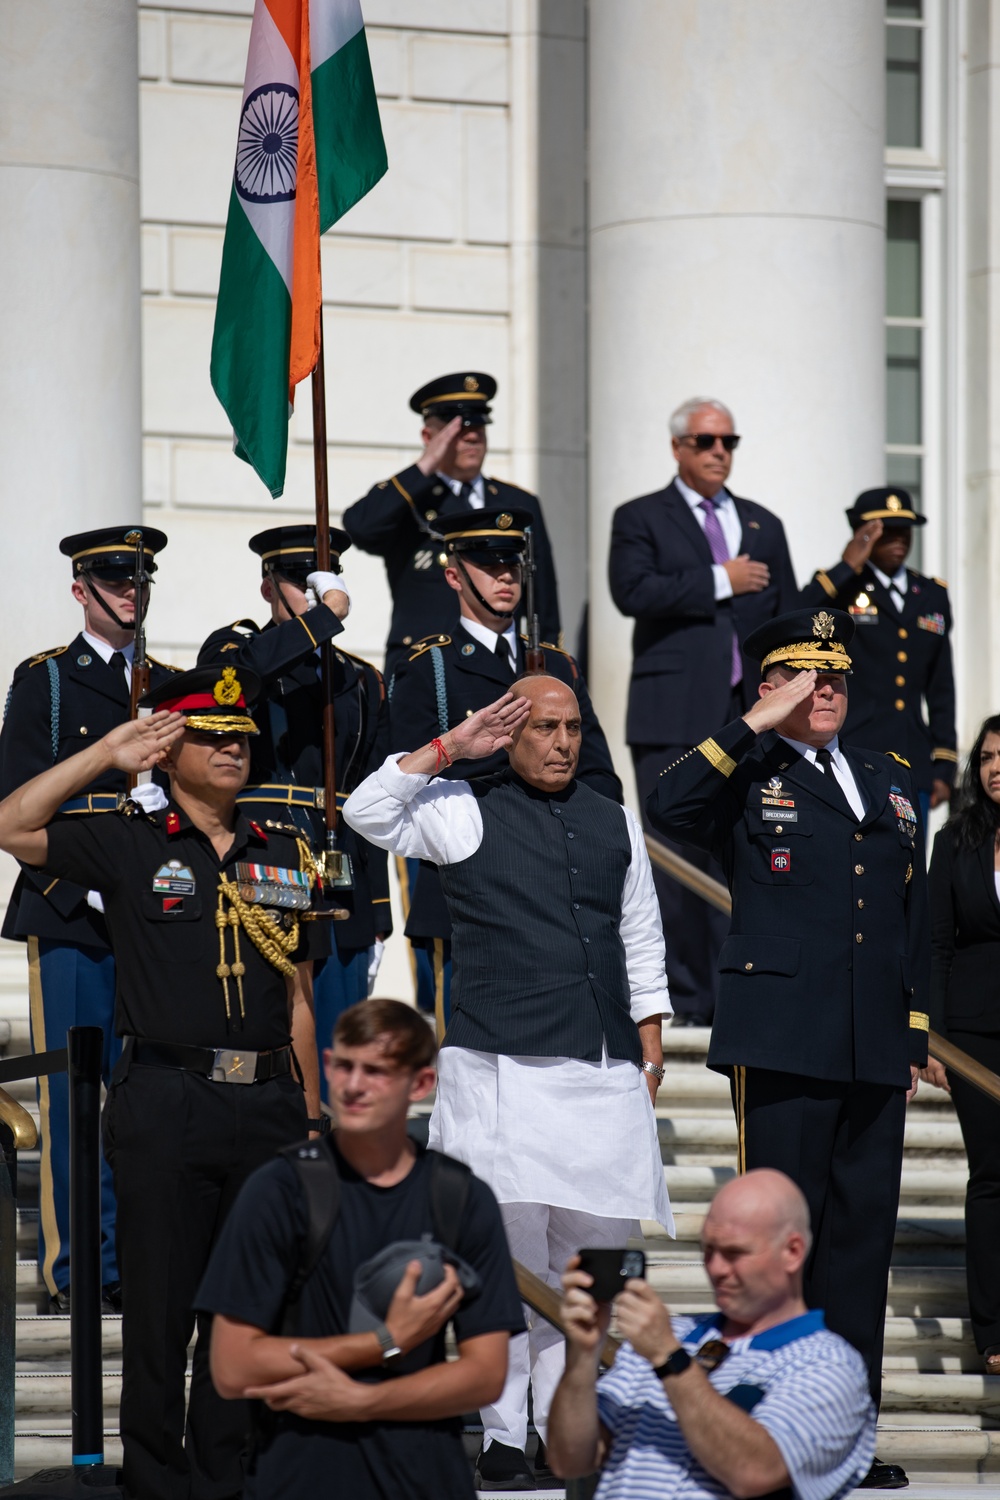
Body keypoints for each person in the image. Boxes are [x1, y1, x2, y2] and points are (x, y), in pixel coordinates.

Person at [0, 666, 322, 1500]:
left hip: (266, 1103)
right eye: (211, 738)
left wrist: (313, 1117)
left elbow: (297, 995)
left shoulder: (282, 849)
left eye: (241, 739)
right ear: (170, 751)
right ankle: (154, 1478)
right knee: (159, 1311)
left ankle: (222, 1477)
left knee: (243, 1311)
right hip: (166, 1100)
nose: (231, 751)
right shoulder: (128, 838)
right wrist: (109, 752)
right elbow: (11, 823)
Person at [344, 679, 673, 1491]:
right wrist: (454, 744)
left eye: (571, 728)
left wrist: (652, 1057)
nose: (561, 743)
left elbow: (641, 938)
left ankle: (569, 1430)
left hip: (601, 1076)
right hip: (501, 1075)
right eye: (544, 728)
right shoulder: (461, 806)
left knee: (592, 1272)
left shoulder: (613, 818)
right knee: (513, 1268)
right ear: (512, 733)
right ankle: (501, 1435)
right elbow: (366, 810)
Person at [647, 608, 929, 1490]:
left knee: (859, 1245)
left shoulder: (885, 775)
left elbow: (906, 913)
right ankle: (773, 1427)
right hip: (782, 1039)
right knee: (778, 1246)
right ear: (768, 686)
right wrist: (752, 724)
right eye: (804, 675)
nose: (826, 689)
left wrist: (913, 1026)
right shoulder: (747, 769)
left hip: (873, 1043)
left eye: (836, 675)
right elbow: (665, 802)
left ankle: (848, 1430)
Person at [197, 997, 525, 1500]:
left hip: (424, 1479)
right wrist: (383, 1341)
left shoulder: (460, 1197)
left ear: (420, 1084)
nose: (353, 1085)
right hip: (301, 1478)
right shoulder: (278, 1189)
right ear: (326, 1066)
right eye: (345, 1066)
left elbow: (486, 1375)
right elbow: (232, 1365)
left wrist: (359, 1401)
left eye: (376, 1071)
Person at [0, 524, 175, 1312]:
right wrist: (87, 888)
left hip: (155, 920)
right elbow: (17, 806)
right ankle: (78, 1271)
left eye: (139, 579)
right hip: (71, 914)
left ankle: (135, 1260)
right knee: (75, 1100)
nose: (129, 592)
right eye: (114, 580)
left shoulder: (170, 684)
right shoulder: (48, 682)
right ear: (82, 589)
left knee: (145, 1102)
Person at [388, 506, 622, 1028]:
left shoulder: (555, 665)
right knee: (471, 1050)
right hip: (471, 884)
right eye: (489, 567)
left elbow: (601, 774)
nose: (505, 579)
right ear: (454, 576)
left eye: (512, 567)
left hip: (561, 882)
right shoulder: (429, 667)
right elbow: (408, 778)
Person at [608, 396, 799, 1026]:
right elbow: (630, 590)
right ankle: (685, 1001)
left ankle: (740, 994)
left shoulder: (764, 522)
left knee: (752, 847)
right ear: (678, 448)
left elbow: (787, 624)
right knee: (676, 860)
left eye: (729, 441)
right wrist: (721, 578)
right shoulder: (640, 516)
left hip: (753, 718)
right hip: (674, 716)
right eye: (707, 441)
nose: (720, 452)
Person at [199, 525, 392, 1097]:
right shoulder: (235, 650)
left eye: (321, 582)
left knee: (340, 1049)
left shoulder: (361, 679)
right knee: (270, 1030)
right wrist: (323, 619)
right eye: (296, 581)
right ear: (267, 587)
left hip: (340, 872)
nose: (310, 593)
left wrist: (378, 911)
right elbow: (238, 683)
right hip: (264, 859)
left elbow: (375, 800)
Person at [547, 1169, 875, 1500]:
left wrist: (668, 1359)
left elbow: (754, 1470)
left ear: (792, 1252)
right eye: (708, 1250)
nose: (716, 1268)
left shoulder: (829, 1364)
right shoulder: (670, 1334)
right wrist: (582, 1356)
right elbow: (569, 1459)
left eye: (735, 1253)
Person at [343, 371, 560, 678]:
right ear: (429, 437)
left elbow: (543, 601)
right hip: (423, 668)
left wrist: (547, 669)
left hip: (502, 666)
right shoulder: (409, 499)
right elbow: (360, 527)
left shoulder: (518, 504)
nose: (472, 435)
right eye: (457, 428)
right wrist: (424, 467)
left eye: (479, 426)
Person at [800, 488, 957, 823]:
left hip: (913, 756)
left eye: (906, 529)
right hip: (854, 748)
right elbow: (796, 619)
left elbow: (941, 684)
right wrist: (845, 566)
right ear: (864, 534)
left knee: (910, 864)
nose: (899, 538)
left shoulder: (931, 595)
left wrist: (944, 761)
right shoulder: (842, 588)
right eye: (886, 529)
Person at [928, 715, 1000, 1373]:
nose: (997, 766)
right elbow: (937, 945)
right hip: (977, 1036)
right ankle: (993, 1331)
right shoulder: (953, 842)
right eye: (988, 756)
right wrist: (935, 1040)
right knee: (993, 1175)